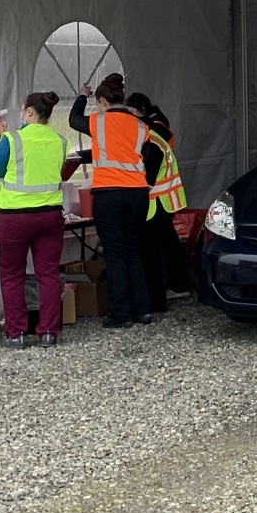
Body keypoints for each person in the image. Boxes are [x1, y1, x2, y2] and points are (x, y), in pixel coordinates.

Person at [70, 73, 164, 327]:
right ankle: (143, 309)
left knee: (114, 255)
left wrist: (81, 96)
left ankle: (121, 314)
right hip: (137, 194)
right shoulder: (142, 126)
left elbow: (73, 120)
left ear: (102, 101)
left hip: (109, 193)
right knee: (132, 252)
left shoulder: (97, 121)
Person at [0, 91, 67, 347]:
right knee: (49, 275)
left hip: (16, 216)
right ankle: (49, 332)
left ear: (29, 112)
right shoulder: (60, 141)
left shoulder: (12, 139)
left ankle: (16, 332)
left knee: (12, 276)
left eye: (23, 110)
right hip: (51, 215)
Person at [128, 92, 188, 306]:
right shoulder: (159, 130)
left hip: (155, 201)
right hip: (164, 200)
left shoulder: (151, 139)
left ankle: (157, 298)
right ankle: (180, 284)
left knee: (152, 251)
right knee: (169, 245)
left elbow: (149, 177)